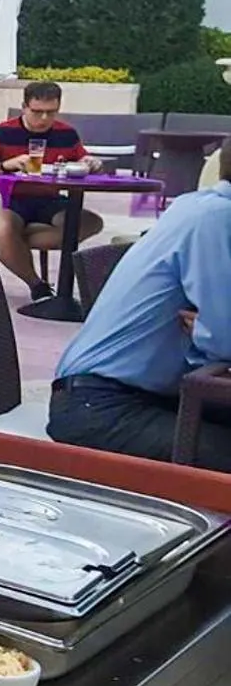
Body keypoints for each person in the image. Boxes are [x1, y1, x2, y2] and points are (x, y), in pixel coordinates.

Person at [48, 180, 231, 470]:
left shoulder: (194, 204)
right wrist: (216, 332)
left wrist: (212, 330)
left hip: (150, 396)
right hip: (101, 406)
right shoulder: (217, 218)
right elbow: (224, 339)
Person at [0, 82, 102, 299]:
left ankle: (11, 245)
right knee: (5, 228)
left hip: (48, 199)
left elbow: (81, 160)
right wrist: (8, 164)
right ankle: (37, 286)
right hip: (11, 198)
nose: (44, 119)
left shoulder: (67, 134)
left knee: (90, 222)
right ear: (24, 107)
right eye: (37, 112)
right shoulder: (3, 132)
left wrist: (89, 162)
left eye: (51, 112)